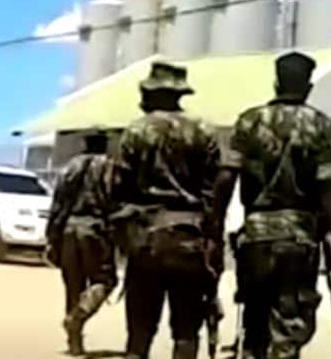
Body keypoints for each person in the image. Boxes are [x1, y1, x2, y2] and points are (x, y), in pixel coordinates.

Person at [211, 51, 331, 359]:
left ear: (275, 83)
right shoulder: (321, 126)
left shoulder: (249, 121)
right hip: (299, 239)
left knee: (254, 321)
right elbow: (329, 192)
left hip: (256, 235)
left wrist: (215, 227)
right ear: (308, 87)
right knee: (290, 324)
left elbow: (226, 178)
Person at [109, 62, 220, 359]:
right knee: (186, 332)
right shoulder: (204, 132)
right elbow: (213, 194)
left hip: (146, 239)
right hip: (190, 240)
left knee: (140, 332)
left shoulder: (135, 131)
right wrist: (213, 244)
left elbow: (118, 190)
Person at [45, 129, 117, 356]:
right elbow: (116, 203)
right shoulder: (110, 168)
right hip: (95, 229)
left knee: (73, 286)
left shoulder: (69, 168)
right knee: (105, 281)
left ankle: (74, 344)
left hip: (68, 229)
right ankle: (78, 317)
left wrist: (51, 237)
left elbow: (57, 205)